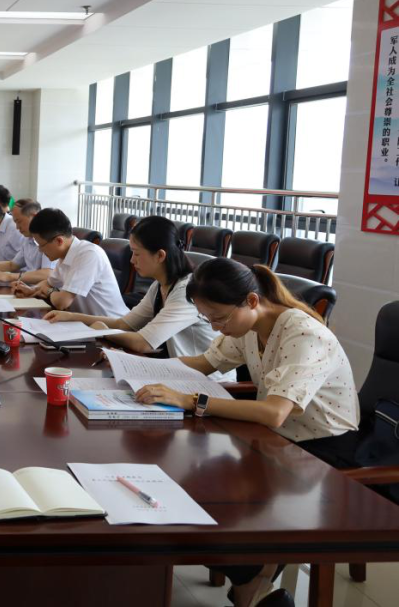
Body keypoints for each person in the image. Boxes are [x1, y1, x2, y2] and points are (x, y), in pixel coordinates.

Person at [134, 257, 359, 607]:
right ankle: (253, 584)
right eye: (208, 319)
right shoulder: (249, 326)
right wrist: (136, 366)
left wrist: (192, 401)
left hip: (324, 449)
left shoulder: (303, 333)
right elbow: (205, 362)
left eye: (219, 318)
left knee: (221, 500)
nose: (216, 328)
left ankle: (252, 584)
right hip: (277, 439)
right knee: (195, 484)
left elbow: (274, 412)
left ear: (252, 301)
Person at [44, 216, 218, 358]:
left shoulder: (186, 291)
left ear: (160, 255)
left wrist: (105, 332)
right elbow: (124, 323)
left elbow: (143, 343)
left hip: (205, 381)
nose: (132, 260)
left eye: (137, 253)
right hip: (176, 370)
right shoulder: (159, 286)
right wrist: (70, 316)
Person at [13, 208, 128, 318]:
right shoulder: (64, 255)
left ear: (59, 241)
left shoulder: (88, 254)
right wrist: (32, 290)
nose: (40, 250)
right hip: (85, 324)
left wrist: (48, 291)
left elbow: (62, 302)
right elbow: (49, 283)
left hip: (110, 325)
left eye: (41, 245)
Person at [0, 199, 53, 283]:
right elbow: (12, 265)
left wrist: (10, 276)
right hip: (27, 286)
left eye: (19, 221)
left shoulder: (49, 238)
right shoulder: (28, 239)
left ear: (34, 217)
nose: (17, 227)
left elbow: (47, 273)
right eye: (15, 222)